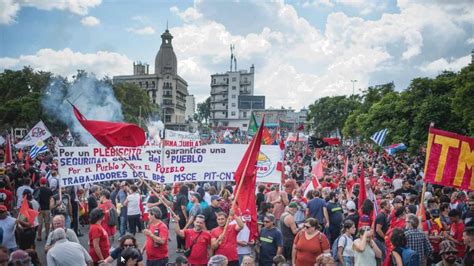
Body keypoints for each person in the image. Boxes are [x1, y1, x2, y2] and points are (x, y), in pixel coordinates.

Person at [36, 177, 52, 241]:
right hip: (47, 208)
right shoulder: (49, 190)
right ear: (46, 182)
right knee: (47, 223)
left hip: (39, 209)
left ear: (40, 182)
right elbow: (51, 199)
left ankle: (39, 236)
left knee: (40, 223)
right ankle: (47, 235)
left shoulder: (37, 190)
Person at [173, 185, 189, 253]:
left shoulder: (176, 195)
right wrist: (186, 217)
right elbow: (183, 207)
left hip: (176, 213)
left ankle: (178, 247)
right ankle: (183, 246)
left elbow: (173, 204)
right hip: (181, 215)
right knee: (182, 231)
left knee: (178, 230)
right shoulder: (183, 197)